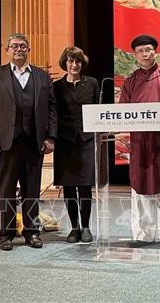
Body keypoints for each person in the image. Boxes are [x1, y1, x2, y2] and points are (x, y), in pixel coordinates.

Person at [0, 33, 57, 251]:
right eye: (14, 46)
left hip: (34, 143)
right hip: (6, 143)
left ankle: (32, 231)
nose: (18, 49)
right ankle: (6, 233)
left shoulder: (42, 77)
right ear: (7, 50)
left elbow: (52, 109)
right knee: (6, 190)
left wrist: (50, 137)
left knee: (31, 190)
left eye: (23, 46)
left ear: (28, 49)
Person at [119, 34, 160, 250]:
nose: (145, 54)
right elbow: (122, 110)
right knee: (140, 190)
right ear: (135, 55)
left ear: (155, 52)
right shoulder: (130, 81)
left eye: (148, 49)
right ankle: (143, 234)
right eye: (140, 51)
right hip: (139, 143)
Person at [53, 46, 99, 244]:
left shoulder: (93, 84)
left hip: (87, 140)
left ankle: (86, 227)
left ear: (82, 64)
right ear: (65, 63)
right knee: (69, 187)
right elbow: (52, 114)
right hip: (64, 142)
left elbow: (98, 109)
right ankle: (74, 227)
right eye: (71, 61)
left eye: (78, 61)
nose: (74, 65)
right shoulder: (56, 86)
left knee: (85, 186)